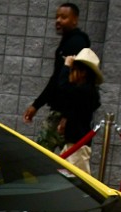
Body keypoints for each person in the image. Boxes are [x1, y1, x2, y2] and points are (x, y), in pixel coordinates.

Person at [23, 3, 90, 153]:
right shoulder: (68, 42)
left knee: (42, 155)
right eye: (57, 17)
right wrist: (37, 105)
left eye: (64, 17)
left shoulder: (76, 43)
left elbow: (77, 83)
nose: (58, 20)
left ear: (75, 20)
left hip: (66, 114)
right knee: (52, 157)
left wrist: (67, 116)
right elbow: (56, 78)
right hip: (63, 112)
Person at [50, 48, 102, 174]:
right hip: (74, 143)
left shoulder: (84, 91)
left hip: (77, 146)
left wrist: (66, 65)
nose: (69, 73)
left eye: (73, 70)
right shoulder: (86, 91)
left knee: (78, 182)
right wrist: (64, 121)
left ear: (83, 72)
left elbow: (63, 88)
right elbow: (73, 107)